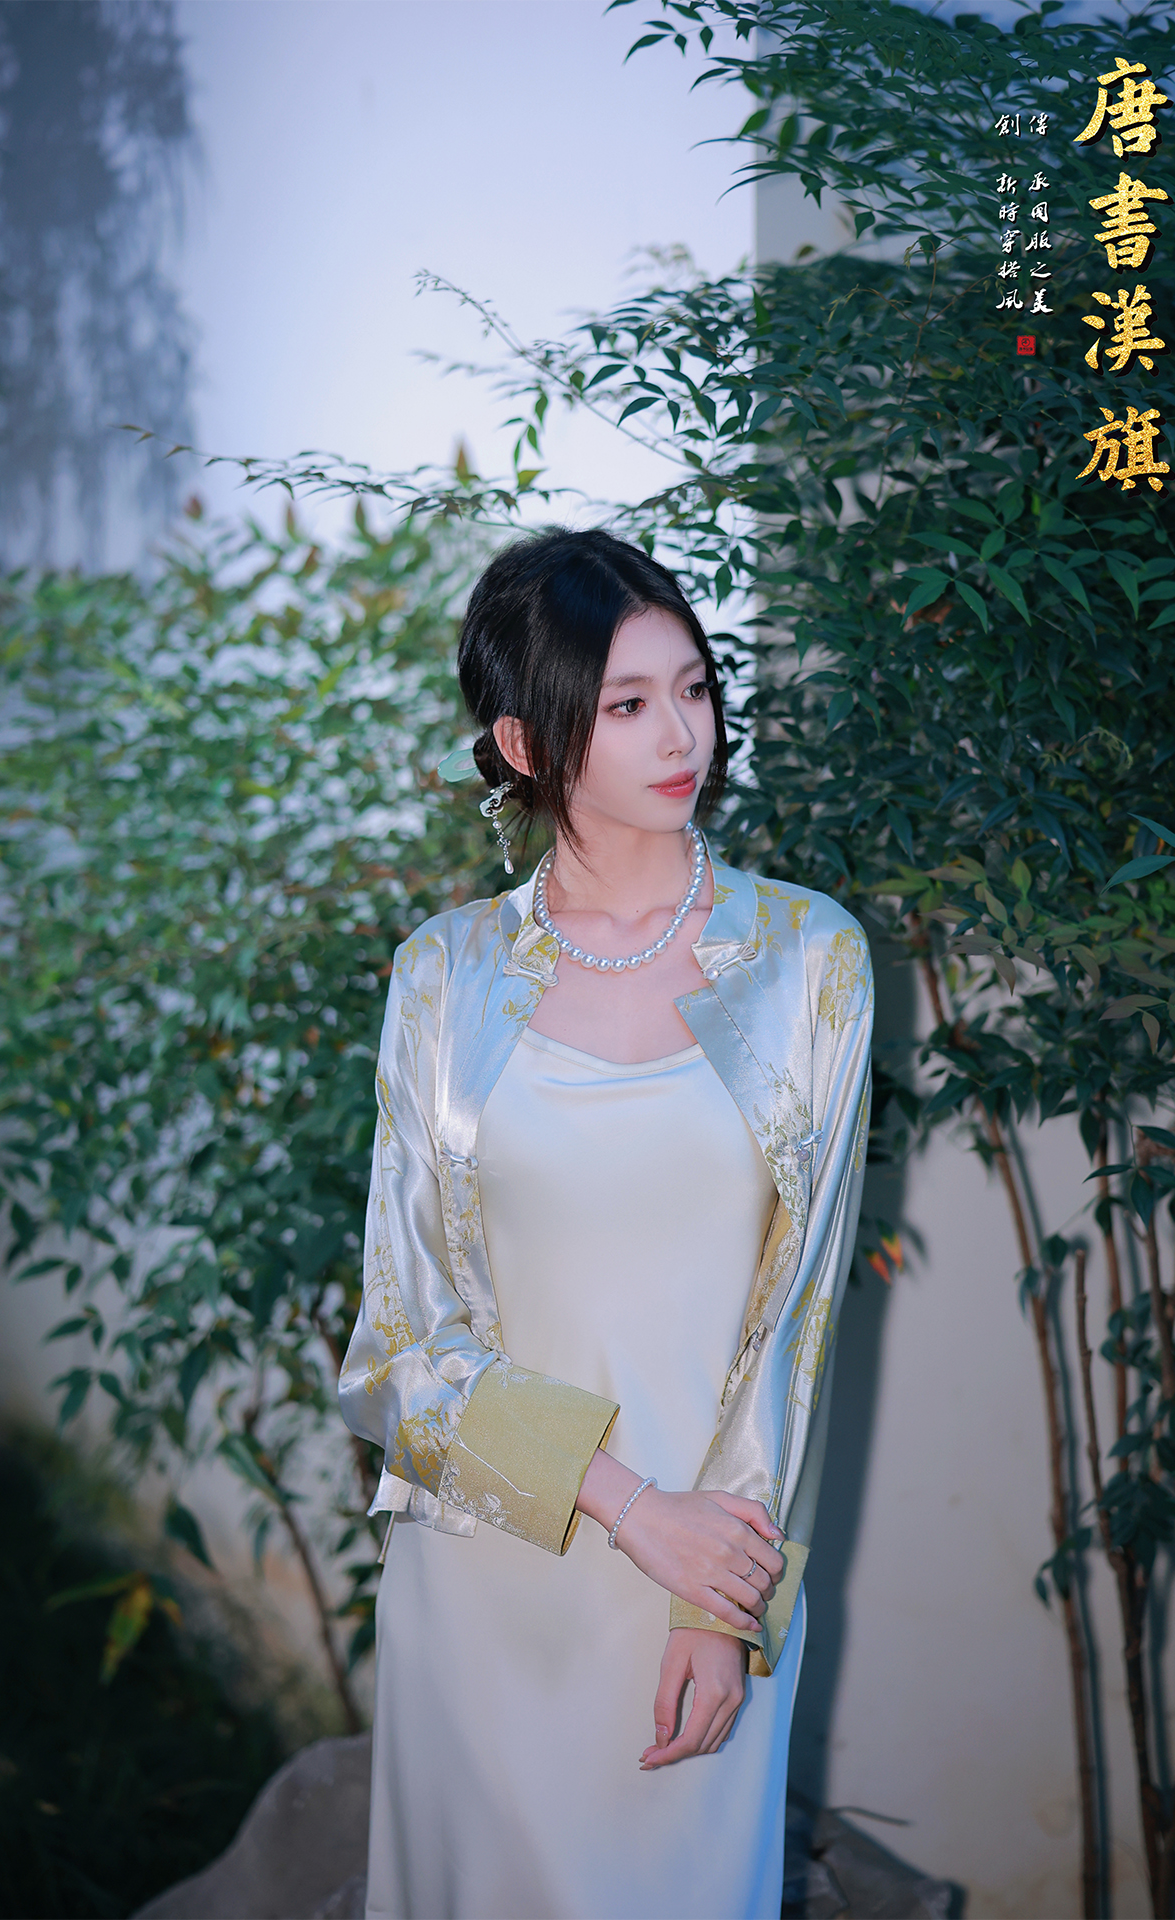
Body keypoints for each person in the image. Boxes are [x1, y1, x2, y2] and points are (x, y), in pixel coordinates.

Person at [339, 527, 873, 1920]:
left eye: (691, 688)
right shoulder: (445, 976)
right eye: (627, 704)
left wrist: (716, 1598)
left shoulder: (809, 960)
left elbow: (800, 1325)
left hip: (707, 1585)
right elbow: (397, 1348)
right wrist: (635, 1512)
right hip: (491, 1582)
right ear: (524, 743)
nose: (681, 734)